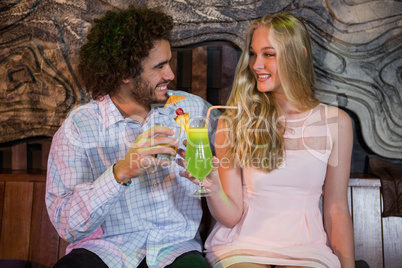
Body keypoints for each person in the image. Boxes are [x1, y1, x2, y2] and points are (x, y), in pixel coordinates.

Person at [179, 12, 355, 267]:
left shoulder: (336, 123)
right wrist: (213, 186)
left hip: (306, 247)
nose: (256, 65)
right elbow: (231, 216)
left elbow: (336, 209)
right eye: (253, 53)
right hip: (241, 246)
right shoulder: (233, 122)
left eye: (268, 54)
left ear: (300, 55)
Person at [45, 6, 213, 268]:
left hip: (175, 249)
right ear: (125, 73)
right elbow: (67, 225)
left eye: (169, 62)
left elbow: (222, 177)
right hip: (103, 251)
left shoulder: (194, 110)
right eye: (159, 67)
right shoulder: (78, 128)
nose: (170, 74)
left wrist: (206, 176)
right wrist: (119, 172)